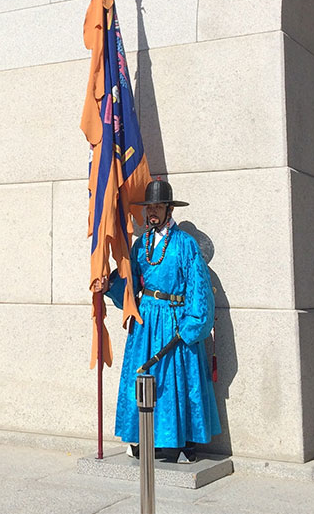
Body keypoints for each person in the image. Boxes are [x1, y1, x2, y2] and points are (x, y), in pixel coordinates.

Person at [95, 179, 220, 463]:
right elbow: (129, 280)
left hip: (175, 321)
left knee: (176, 381)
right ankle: (142, 436)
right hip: (146, 320)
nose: (152, 212)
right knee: (143, 377)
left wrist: (191, 325)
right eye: (149, 207)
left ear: (168, 209)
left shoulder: (186, 245)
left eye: (158, 206)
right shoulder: (142, 244)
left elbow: (199, 289)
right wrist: (108, 284)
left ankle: (182, 441)